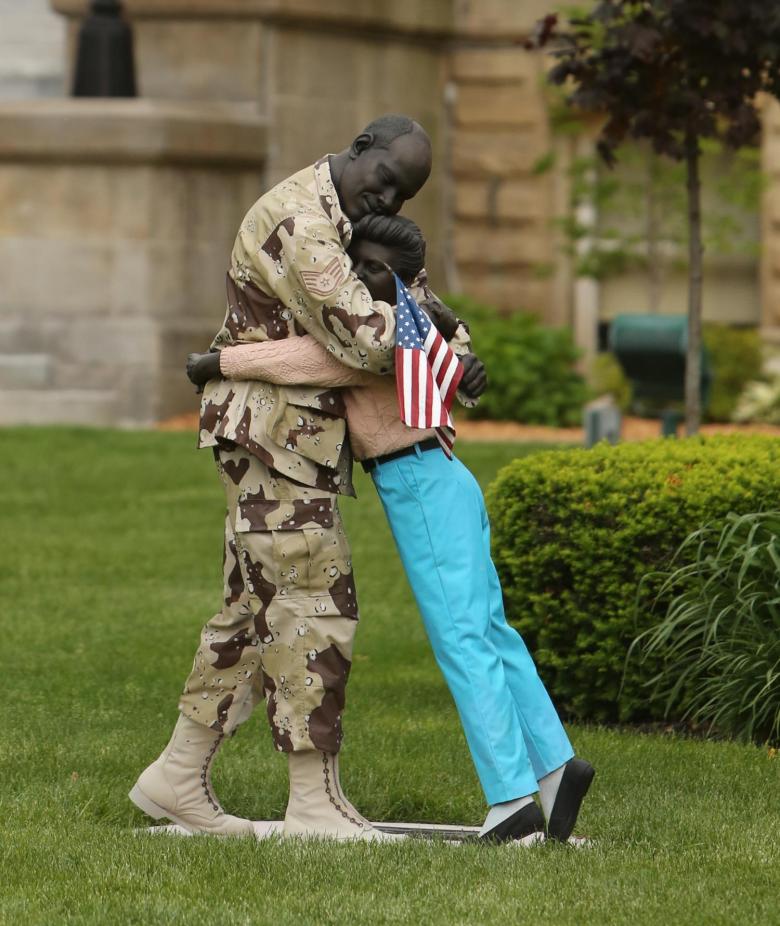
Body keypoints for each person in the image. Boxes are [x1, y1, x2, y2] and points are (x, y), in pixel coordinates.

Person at [187, 214, 594, 844]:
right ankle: (556, 769)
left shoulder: (389, 331)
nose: (358, 275)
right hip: (443, 479)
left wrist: (222, 360)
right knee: (489, 629)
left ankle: (512, 798)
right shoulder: (397, 319)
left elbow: (313, 363)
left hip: (422, 484)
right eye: (357, 263)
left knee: (463, 638)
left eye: (374, 267)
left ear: (404, 278)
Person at [130, 115, 466, 842]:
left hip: (289, 438)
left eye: (405, 195)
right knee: (314, 601)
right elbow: (374, 339)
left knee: (249, 615)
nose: (390, 201)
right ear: (360, 147)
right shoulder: (300, 222)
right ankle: (316, 807)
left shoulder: (354, 222)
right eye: (385, 178)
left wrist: (441, 338)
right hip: (271, 438)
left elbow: (420, 311)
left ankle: (176, 779)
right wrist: (432, 337)